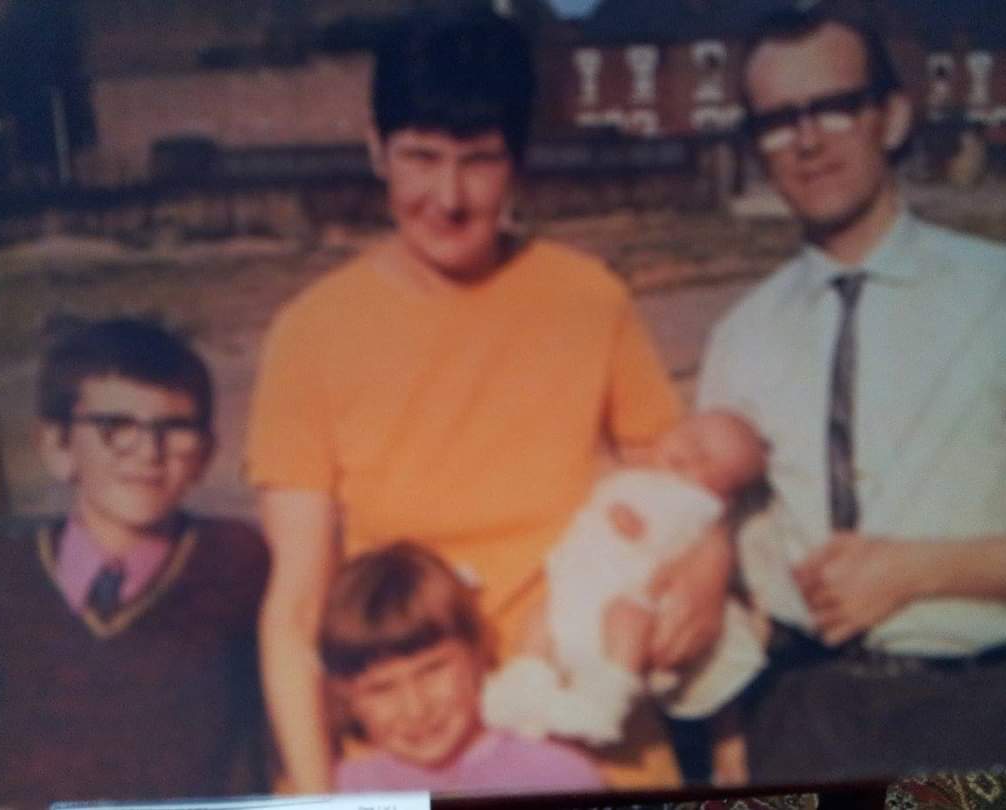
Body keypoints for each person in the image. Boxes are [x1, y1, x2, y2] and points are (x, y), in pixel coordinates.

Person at [246, 8, 730, 792]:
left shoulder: (589, 298)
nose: (449, 196)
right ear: (377, 150)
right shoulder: (310, 333)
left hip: (592, 728)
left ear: (519, 163)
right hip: (409, 751)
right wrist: (311, 791)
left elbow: (676, 489)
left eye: (479, 161)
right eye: (420, 157)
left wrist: (709, 566)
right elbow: (297, 608)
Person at [697, 7, 1006, 782]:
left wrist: (919, 571)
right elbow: (724, 560)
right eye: (777, 120)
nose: (806, 141)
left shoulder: (995, 295)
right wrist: (733, 756)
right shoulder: (739, 336)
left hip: (973, 713)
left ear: (891, 116)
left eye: (833, 106)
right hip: (798, 720)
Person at [0, 318, 271, 805]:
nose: (148, 452)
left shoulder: (239, 559)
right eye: (116, 428)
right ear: (58, 446)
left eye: (175, 429)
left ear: (206, 453)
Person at [483, 411, 767, 774]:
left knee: (628, 620)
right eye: (689, 436)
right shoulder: (637, 473)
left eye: (706, 460)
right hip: (577, 591)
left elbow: (671, 535)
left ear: (723, 496)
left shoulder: (693, 504)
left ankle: (605, 700)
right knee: (539, 618)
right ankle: (526, 682)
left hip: (624, 595)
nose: (690, 454)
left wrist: (634, 524)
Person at [320, 542, 604, 794]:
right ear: (347, 696)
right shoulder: (343, 790)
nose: (416, 708)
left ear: (477, 654)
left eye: (432, 670)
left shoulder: (557, 776)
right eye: (381, 688)